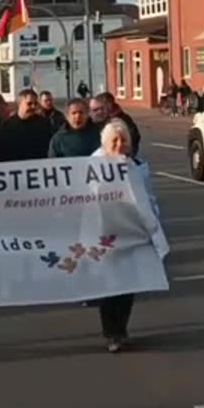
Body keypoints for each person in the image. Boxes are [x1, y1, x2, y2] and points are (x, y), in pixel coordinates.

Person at [91, 119, 148, 353]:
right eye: (114, 140)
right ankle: (111, 333)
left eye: (123, 139)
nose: (119, 144)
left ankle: (122, 329)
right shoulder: (93, 166)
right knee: (111, 286)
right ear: (105, 143)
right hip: (106, 234)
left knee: (128, 285)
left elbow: (147, 199)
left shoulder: (135, 166)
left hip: (132, 233)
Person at [0, 89, 53, 162]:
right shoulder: (7, 126)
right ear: (19, 104)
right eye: (29, 103)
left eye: (35, 103)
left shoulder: (44, 123)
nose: (33, 107)